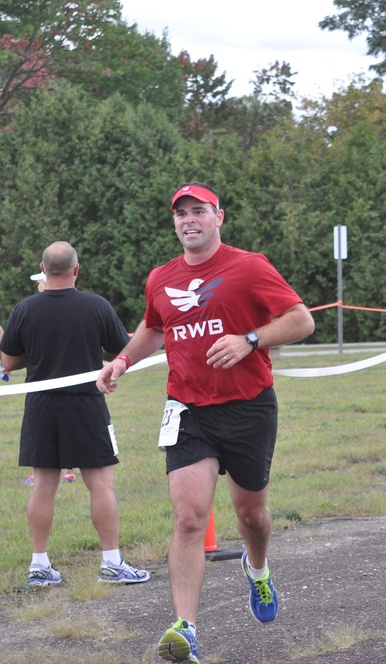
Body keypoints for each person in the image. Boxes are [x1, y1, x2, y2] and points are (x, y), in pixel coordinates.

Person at [96, 183, 315, 664]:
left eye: (199, 211)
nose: (189, 220)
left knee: (251, 515)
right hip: (188, 409)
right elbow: (155, 327)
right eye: (181, 214)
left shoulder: (249, 266)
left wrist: (250, 339)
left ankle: (256, 570)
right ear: (174, 222)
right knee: (189, 517)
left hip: (248, 405)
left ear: (220, 216)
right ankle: (186, 628)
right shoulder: (161, 277)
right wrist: (122, 362)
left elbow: (301, 321)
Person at [0, 242, 150, 588]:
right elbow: (117, 349)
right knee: (100, 483)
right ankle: (111, 563)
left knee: (43, 485)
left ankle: (39, 566)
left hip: (41, 407)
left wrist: (38, 353)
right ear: (76, 270)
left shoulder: (24, 309)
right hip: (85, 403)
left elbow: (8, 362)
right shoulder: (96, 306)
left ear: (43, 268)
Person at [22, 271, 76, 485]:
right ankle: (61, 471)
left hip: (53, 380)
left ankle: (61, 471)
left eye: (39, 283)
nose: (37, 287)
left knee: (51, 427)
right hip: (56, 380)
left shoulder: (31, 309)